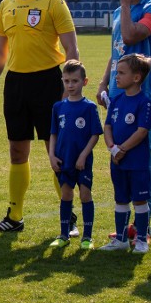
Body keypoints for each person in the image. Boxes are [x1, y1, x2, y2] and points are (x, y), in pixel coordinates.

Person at [0, 0, 78, 233]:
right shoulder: (6, 5)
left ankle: (67, 217)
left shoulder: (53, 2)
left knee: (55, 151)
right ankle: (14, 217)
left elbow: (71, 48)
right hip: (16, 84)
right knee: (16, 151)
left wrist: (68, 88)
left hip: (49, 82)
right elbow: (0, 49)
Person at [95, 0, 151, 241]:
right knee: (119, 156)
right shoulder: (118, 10)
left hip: (141, 96)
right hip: (116, 96)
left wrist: (126, 6)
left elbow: (131, 36)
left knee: (141, 158)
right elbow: (117, 53)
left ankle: (144, 227)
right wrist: (103, 83)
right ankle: (127, 227)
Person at [99, 54, 151, 253]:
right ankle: (121, 239)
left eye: (121, 73)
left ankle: (140, 239)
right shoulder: (116, 101)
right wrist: (112, 148)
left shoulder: (144, 103)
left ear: (136, 78)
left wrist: (122, 149)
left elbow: (141, 132)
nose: (116, 77)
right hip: (117, 160)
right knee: (120, 198)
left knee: (139, 200)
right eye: (116, 72)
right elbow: (107, 127)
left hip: (137, 162)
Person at [47, 60, 102, 249]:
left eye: (75, 81)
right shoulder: (58, 107)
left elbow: (95, 134)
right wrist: (52, 156)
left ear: (84, 82)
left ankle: (87, 237)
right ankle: (63, 235)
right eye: (67, 81)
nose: (70, 85)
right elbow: (53, 133)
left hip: (82, 161)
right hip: (63, 159)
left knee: (85, 195)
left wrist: (83, 156)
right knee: (66, 195)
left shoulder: (89, 107)